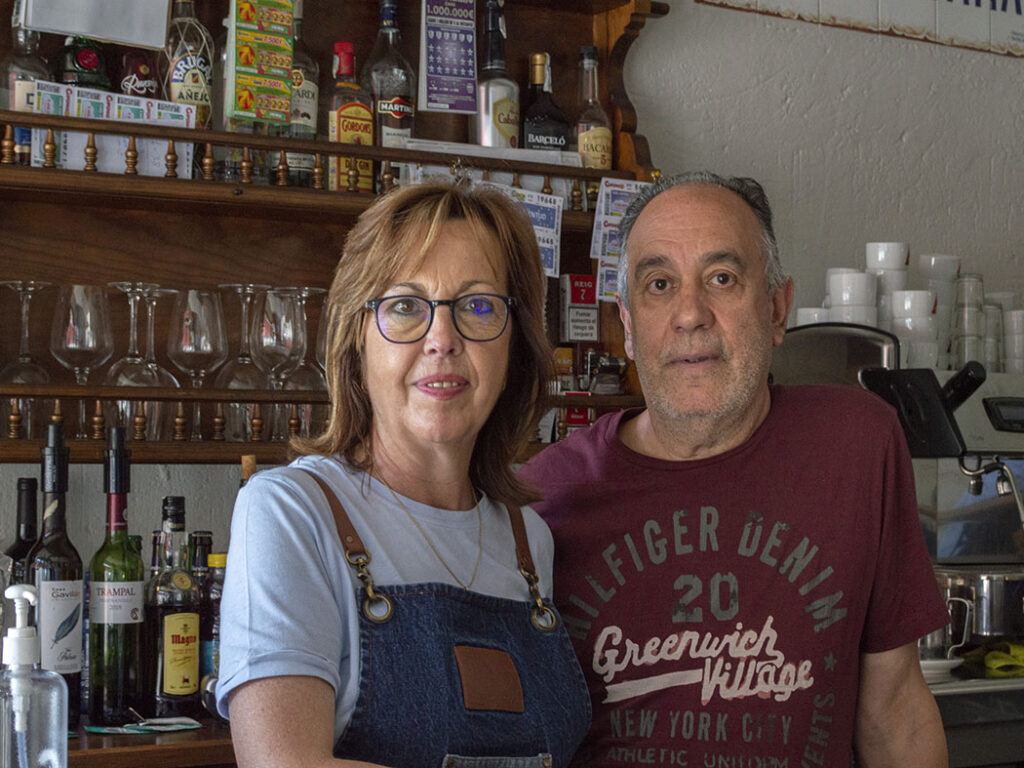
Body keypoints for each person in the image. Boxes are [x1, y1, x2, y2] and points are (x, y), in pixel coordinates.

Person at [519, 171, 950, 767]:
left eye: (722, 278)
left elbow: (895, 711)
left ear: (777, 310)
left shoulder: (858, 446)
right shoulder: (543, 496)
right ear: (627, 330)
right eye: (659, 284)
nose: (690, 313)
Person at [216, 179, 591, 768]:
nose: (443, 340)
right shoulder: (292, 512)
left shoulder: (529, 541)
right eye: (405, 305)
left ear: (515, 344)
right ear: (356, 343)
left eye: (478, 305)